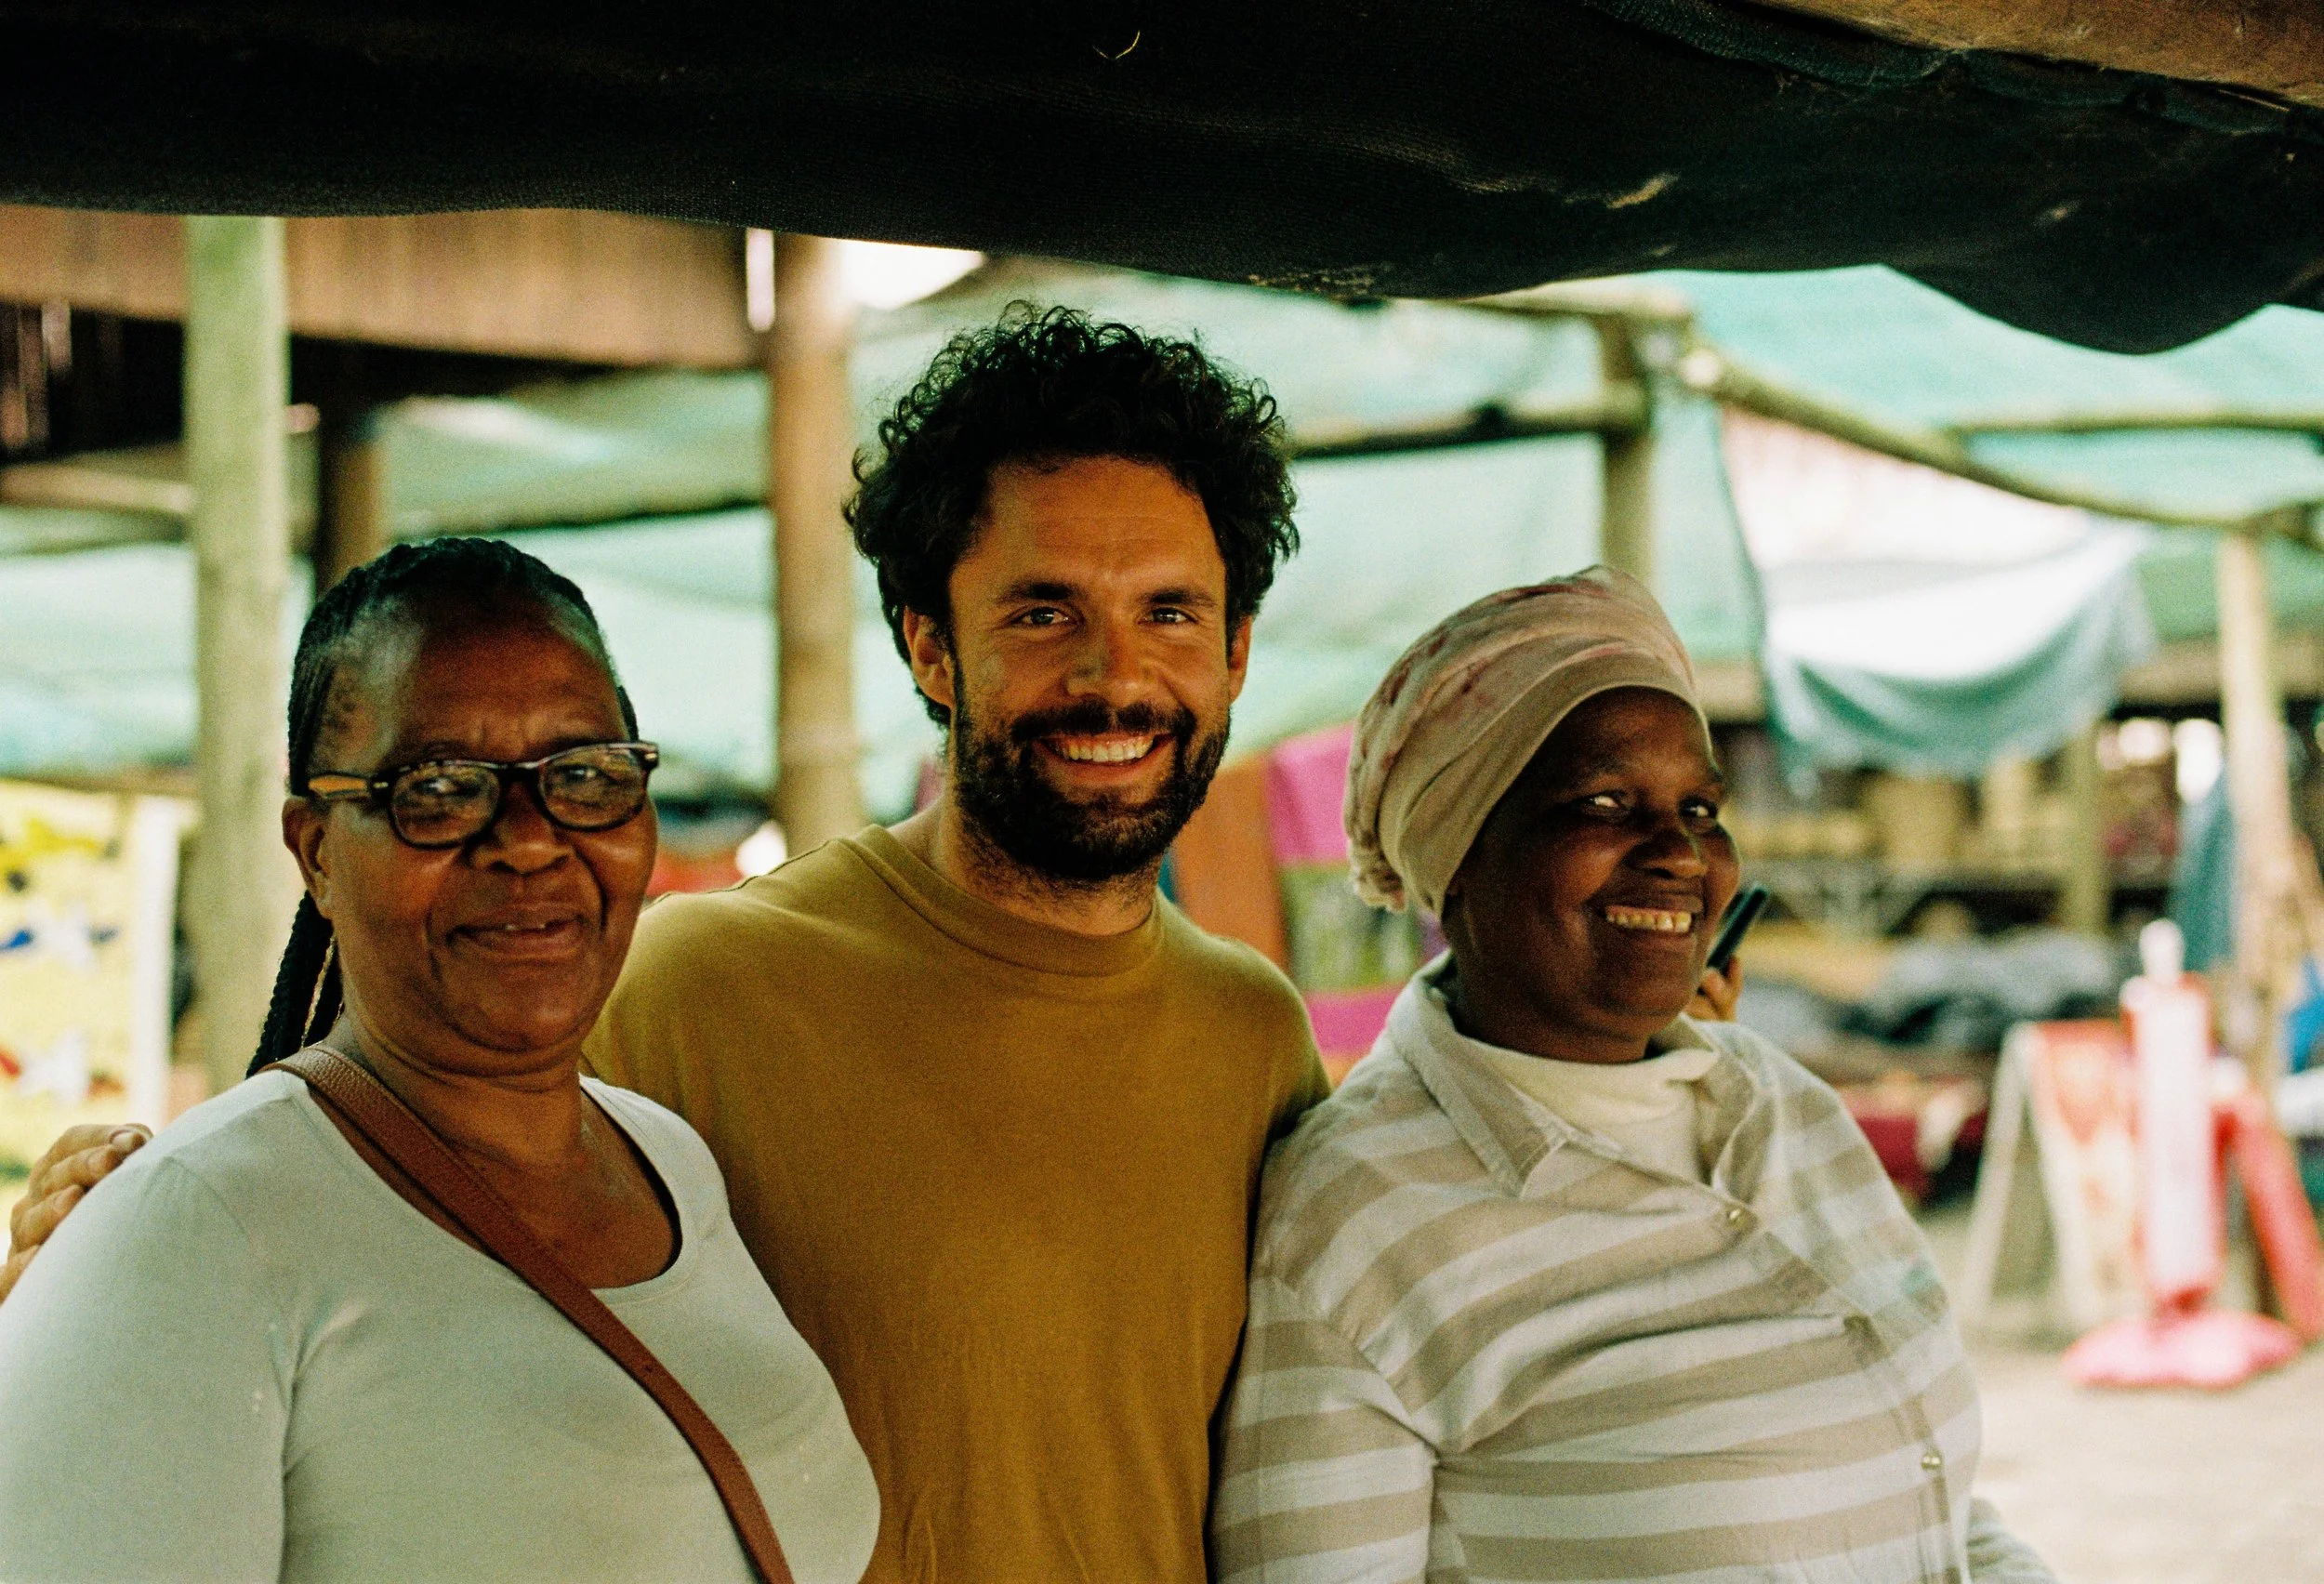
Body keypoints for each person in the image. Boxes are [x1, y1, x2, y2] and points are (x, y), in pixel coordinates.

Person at [7, 307, 1329, 1583]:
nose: (1113, 677)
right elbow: (355, 1170)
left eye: (1169, 611)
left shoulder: (1255, 1036)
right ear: (930, 645)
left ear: (1236, 651)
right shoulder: (691, 986)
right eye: (1043, 613)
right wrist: (112, 1250)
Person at [0, 539, 878, 1582]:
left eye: (584, 777)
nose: (528, 840)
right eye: (440, 788)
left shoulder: (669, 1162)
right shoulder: (199, 1231)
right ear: (316, 849)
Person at [1212, 569, 2054, 1583]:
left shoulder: (1787, 1110)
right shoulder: (1356, 1224)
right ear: (1458, 854)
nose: (1678, 855)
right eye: (1604, 803)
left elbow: (1936, 1503)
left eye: (1701, 809)